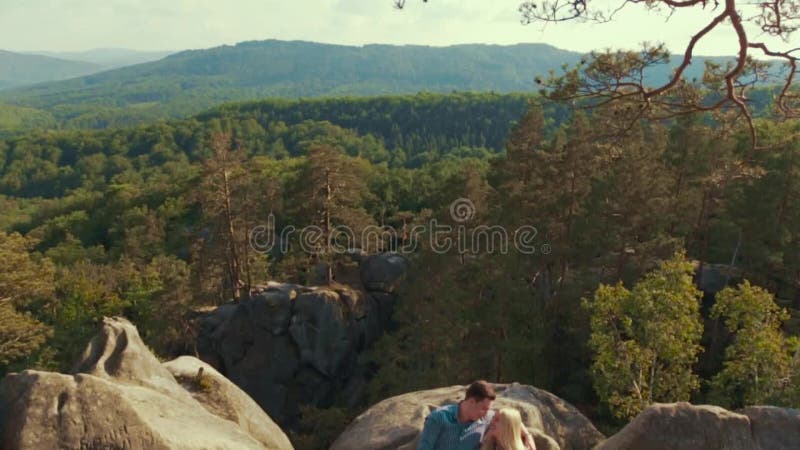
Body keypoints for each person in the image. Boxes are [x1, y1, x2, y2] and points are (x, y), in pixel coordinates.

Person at [416, 381, 535, 450]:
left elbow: (509, 420)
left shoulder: (486, 418)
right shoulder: (438, 418)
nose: (487, 412)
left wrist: (527, 435)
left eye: (488, 409)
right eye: (484, 409)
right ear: (472, 401)